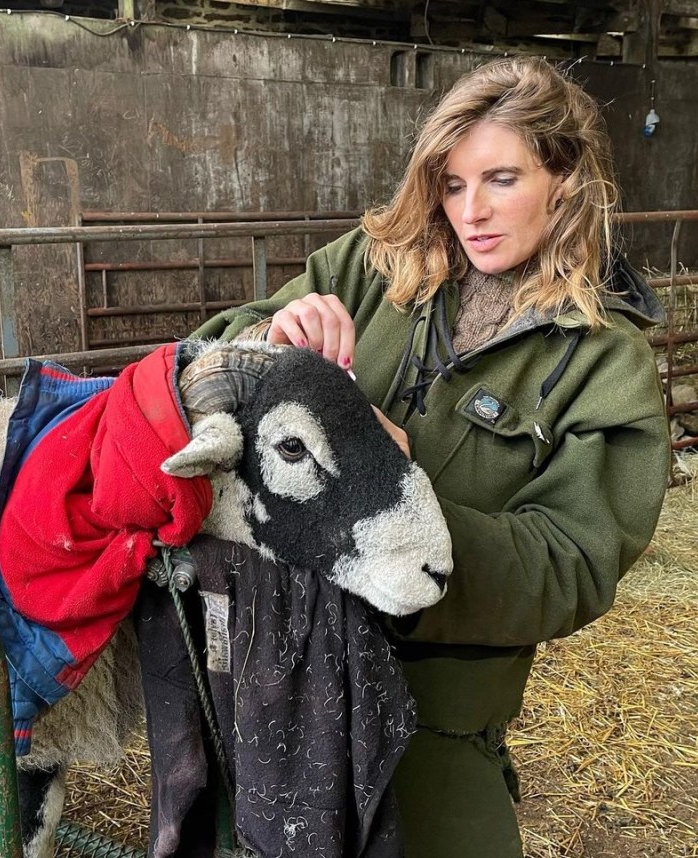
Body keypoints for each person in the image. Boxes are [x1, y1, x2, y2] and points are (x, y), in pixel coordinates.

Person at [192, 56, 670, 857]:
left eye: (502, 179)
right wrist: (270, 342)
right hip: (270, 676)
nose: (471, 212)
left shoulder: (605, 364)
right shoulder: (374, 267)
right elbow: (206, 360)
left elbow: (574, 564)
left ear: (566, 179)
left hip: (430, 719)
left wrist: (396, 505)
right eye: (452, 184)